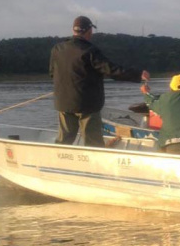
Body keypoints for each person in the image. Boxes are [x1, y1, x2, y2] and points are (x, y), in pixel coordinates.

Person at [50, 15, 149, 147]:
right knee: (93, 143)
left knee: (64, 140)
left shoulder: (57, 49)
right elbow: (111, 70)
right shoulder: (89, 50)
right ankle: (94, 166)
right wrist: (138, 74)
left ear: (74, 30)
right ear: (89, 31)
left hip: (64, 103)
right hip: (87, 105)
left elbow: (52, 73)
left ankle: (57, 161)